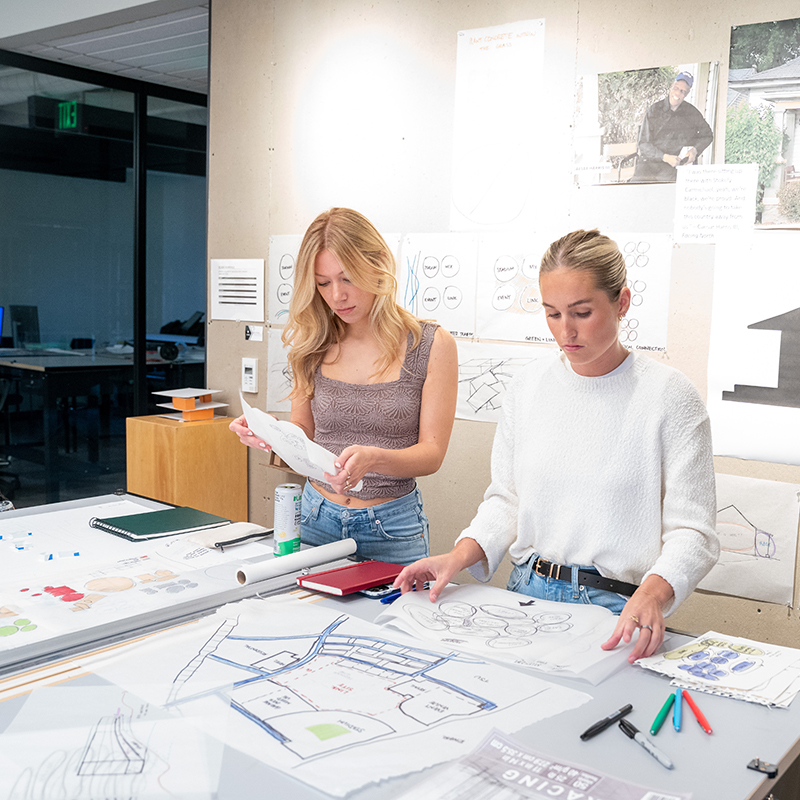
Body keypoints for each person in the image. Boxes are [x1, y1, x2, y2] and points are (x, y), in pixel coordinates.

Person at [394, 229, 718, 662]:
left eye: (582, 313)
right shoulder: (528, 386)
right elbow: (508, 499)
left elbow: (693, 532)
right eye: (551, 313)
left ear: (621, 302)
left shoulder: (670, 397)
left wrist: (655, 595)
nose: (565, 330)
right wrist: (458, 555)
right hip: (524, 595)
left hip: (616, 608)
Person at [230, 207, 458, 565]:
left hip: (392, 527)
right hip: (315, 516)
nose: (337, 296)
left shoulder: (430, 345)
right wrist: (269, 434)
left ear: (378, 264)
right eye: (323, 283)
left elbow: (432, 454)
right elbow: (302, 431)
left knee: (391, 621)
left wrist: (374, 459)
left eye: (348, 277)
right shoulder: (312, 343)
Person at [631, 71, 713, 182]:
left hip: (671, 168)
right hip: (648, 165)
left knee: (667, 194)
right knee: (635, 192)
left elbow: (707, 135)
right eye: (676, 88)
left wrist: (695, 150)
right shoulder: (654, 110)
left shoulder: (691, 113)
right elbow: (643, 144)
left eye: (682, 91)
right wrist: (664, 157)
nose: (678, 93)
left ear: (687, 93)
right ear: (671, 87)